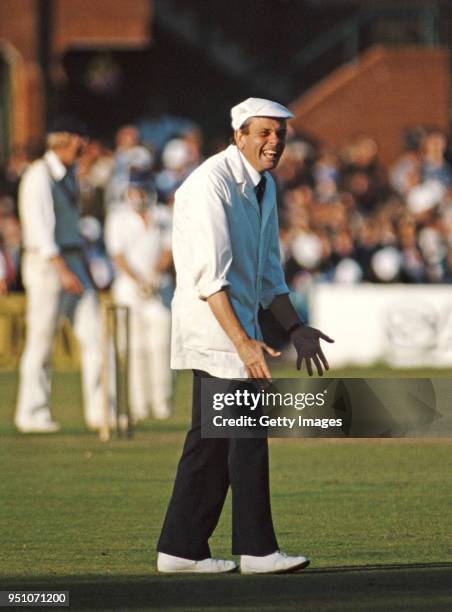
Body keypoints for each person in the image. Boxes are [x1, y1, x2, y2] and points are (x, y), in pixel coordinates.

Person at [157, 98, 334, 574]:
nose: (274, 142)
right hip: (215, 328)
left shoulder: (265, 186)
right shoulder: (209, 185)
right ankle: (257, 552)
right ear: (239, 136)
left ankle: (180, 549)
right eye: (263, 133)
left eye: (280, 133)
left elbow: (270, 275)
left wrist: (295, 327)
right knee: (246, 432)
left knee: (210, 440)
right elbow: (210, 279)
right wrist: (241, 342)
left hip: (238, 328)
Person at [15, 116, 104, 433]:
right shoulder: (39, 175)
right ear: (64, 139)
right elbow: (39, 230)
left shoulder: (67, 175)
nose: (85, 145)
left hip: (71, 261)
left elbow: (71, 228)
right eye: (81, 138)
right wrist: (62, 270)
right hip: (47, 265)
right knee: (42, 341)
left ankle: (101, 412)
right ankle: (32, 413)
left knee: (96, 336)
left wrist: (82, 268)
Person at [105, 167, 173, 421]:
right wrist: (139, 280)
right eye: (134, 189)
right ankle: (139, 403)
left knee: (160, 344)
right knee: (133, 347)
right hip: (129, 288)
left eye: (142, 189)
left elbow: (169, 249)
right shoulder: (118, 217)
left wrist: (154, 276)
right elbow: (117, 255)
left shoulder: (162, 215)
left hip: (158, 287)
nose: (138, 194)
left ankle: (161, 401)